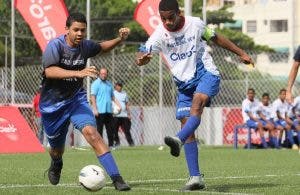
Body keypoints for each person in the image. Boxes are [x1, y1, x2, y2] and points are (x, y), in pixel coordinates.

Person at [135, 0, 253, 191]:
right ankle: (195, 178)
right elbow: (141, 53)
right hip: (183, 85)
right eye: (163, 19)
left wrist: (241, 52)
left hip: (206, 74)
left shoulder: (195, 24)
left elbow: (215, 38)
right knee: (185, 122)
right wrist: (142, 60)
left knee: (197, 104)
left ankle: (178, 139)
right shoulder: (159, 34)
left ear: (179, 13)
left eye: (170, 18)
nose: (167, 22)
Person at [39, 12, 130, 191]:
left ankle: (117, 178)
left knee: (92, 134)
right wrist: (78, 73)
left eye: (83, 30)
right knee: (56, 149)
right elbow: (49, 71)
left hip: (76, 100)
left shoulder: (85, 46)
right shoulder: (55, 46)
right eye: (76, 30)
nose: (80, 34)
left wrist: (119, 39)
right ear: (67, 29)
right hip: (53, 105)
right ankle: (56, 163)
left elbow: (102, 47)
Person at [90, 67, 121, 149]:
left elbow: (112, 97)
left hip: (109, 111)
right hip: (100, 111)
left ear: (107, 74)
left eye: (105, 73)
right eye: (102, 73)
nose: (103, 75)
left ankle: (111, 145)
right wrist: (95, 109)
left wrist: (119, 105)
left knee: (110, 129)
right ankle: (100, 146)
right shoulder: (95, 84)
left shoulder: (109, 84)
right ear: (99, 74)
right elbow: (92, 97)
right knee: (99, 130)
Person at [112, 82, 135, 147]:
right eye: (118, 86)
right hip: (115, 115)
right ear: (115, 86)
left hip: (124, 115)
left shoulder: (124, 94)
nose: (119, 87)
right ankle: (117, 142)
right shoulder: (112, 93)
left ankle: (131, 143)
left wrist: (129, 114)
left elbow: (127, 104)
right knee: (114, 130)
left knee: (127, 130)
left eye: (120, 86)